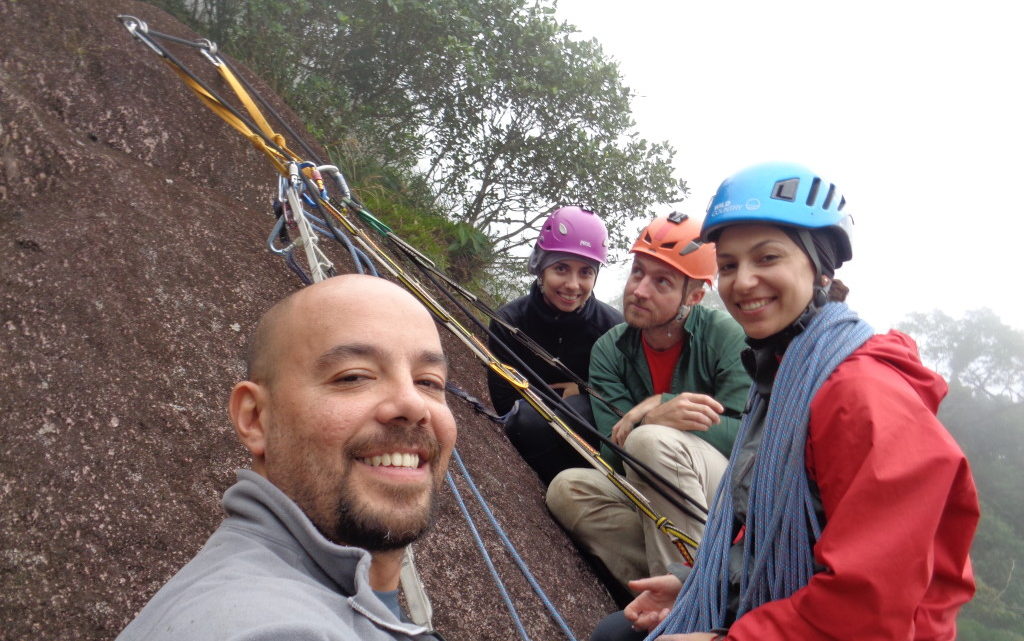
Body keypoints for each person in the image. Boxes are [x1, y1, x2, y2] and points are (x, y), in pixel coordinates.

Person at [621, 162, 979, 641]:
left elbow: (873, 608)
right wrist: (694, 585)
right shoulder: (782, 374)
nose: (743, 281)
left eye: (767, 258)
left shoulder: (863, 397)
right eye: (729, 265)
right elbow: (774, 530)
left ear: (821, 267)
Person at [116, 274, 456, 641]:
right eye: (353, 376)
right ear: (256, 419)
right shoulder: (263, 626)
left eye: (429, 382)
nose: (413, 404)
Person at [545, 212, 752, 588]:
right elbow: (612, 450)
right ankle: (688, 586)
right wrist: (658, 419)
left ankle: (689, 604)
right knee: (567, 488)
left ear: (694, 296)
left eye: (662, 282)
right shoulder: (611, 349)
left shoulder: (725, 337)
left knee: (648, 440)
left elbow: (752, 437)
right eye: (637, 272)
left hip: (721, 496)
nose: (640, 290)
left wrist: (663, 406)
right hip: (649, 484)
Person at [487, 206, 623, 485]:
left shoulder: (613, 329)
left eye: (586, 272)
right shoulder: (509, 321)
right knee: (527, 418)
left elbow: (624, 399)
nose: (573, 285)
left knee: (581, 411)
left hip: (591, 448)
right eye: (561, 268)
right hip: (531, 437)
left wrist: (583, 393)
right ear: (541, 268)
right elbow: (504, 401)